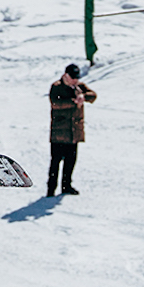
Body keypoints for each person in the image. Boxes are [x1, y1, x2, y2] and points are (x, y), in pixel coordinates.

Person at [46, 63, 96, 197]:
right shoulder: (56, 87)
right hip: (59, 133)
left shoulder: (80, 87)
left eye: (77, 78)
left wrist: (84, 97)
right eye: (73, 78)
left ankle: (66, 186)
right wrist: (73, 101)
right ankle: (51, 189)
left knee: (70, 161)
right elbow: (55, 103)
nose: (75, 80)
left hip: (74, 133)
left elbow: (93, 95)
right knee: (55, 162)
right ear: (65, 76)